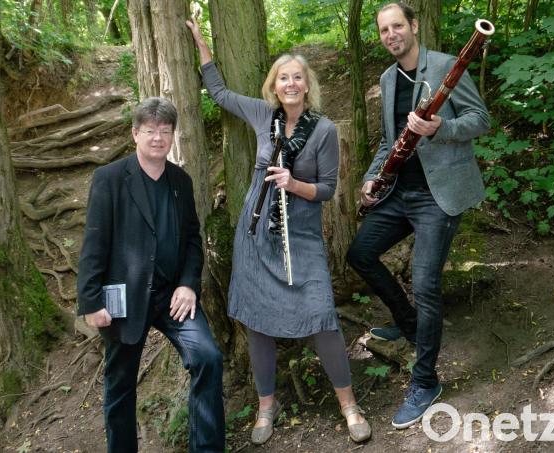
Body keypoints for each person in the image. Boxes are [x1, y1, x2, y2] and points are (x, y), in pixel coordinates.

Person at [186, 19, 371, 445]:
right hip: (256, 236)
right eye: (283, 77)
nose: (290, 84)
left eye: (297, 77)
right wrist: (200, 42)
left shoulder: (323, 130)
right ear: (274, 85)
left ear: (307, 85)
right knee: (258, 323)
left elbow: (327, 189)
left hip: (300, 236)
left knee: (323, 317)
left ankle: (349, 405)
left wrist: (293, 183)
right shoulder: (262, 114)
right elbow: (219, 93)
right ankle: (266, 406)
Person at [346, 2, 490, 429]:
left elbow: (480, 120)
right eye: (383, 30)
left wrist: (440, 128)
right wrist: (370, 179)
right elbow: (387, 141)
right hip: (399, 193)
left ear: (413, 26)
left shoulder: (445, 66)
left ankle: (426, 381)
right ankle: (408, 324)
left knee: (426, 286)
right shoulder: (387, 79)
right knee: (360, 254)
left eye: (397, 26)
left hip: (437, 196)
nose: (391, 35)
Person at [77, 97, 225, 453]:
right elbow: (94, 243)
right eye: (150, 131)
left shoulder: (181, 181)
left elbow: (192, 240)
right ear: (135, 134)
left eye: (165, 131)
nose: (158, 138)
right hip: (124, 298)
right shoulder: (110, 179)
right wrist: (91, 301)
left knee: (208, 357)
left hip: (172, 297)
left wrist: (188, 284)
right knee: (120, 385)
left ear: (172, 135)